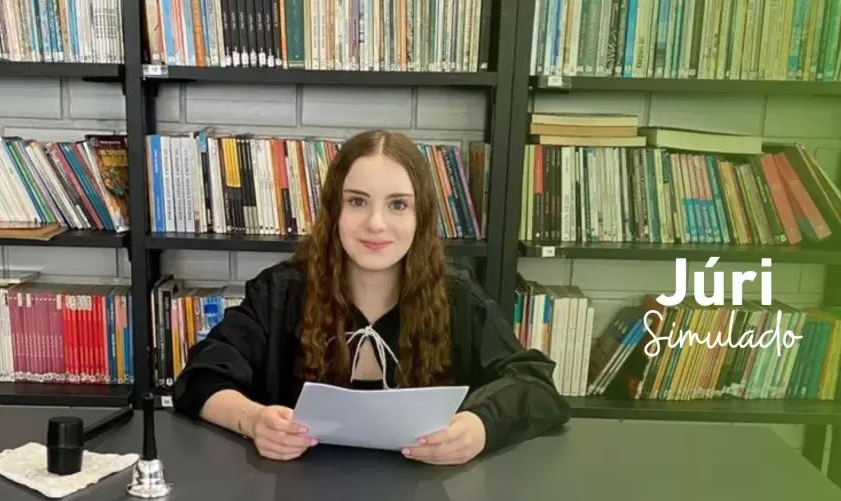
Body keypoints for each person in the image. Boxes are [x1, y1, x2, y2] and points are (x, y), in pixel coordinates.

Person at [171, 129, 569, 465]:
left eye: (398, 204)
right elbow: (199, 377)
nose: (376, 223)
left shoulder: (457, 297)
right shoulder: (279, 293)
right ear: (334, 211)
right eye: (357, 201)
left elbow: (534, 384)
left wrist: (478, 427)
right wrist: (254, 420)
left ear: (420, 216)